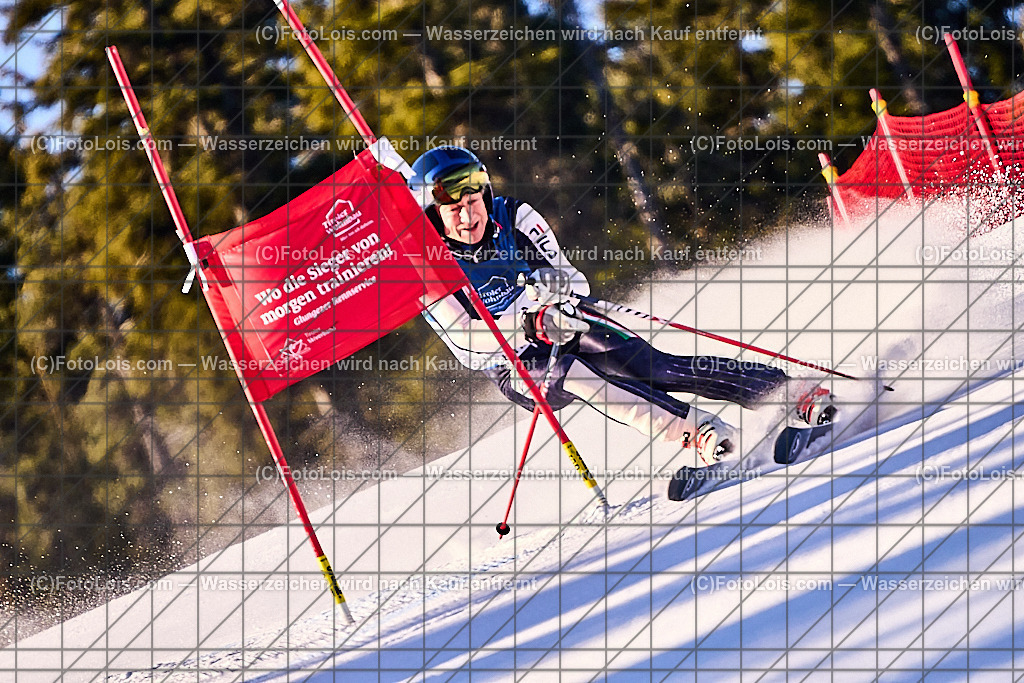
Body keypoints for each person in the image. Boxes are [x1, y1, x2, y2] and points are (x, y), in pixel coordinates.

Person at [411, 146, 834, 464]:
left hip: (563, 319)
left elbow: (569, 277)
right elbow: (467, 344)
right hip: (513, 360)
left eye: (473, 202)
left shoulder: (514, 216)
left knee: (656, 368)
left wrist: (551, 296)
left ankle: (791, 394)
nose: (469, 217)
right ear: (433, 213)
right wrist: (527, 322)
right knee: (583, 379)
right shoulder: (426, 265)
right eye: (454, 211)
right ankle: (706, 434)